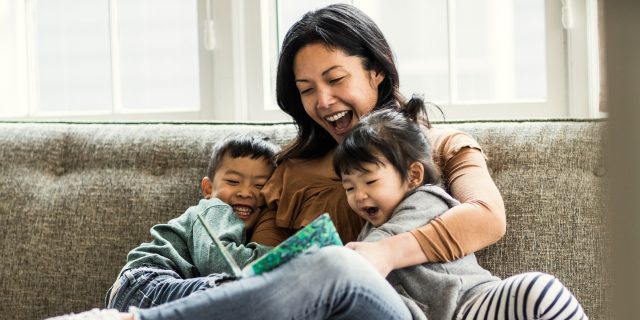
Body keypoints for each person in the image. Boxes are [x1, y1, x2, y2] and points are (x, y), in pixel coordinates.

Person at [48, 3, 552, 319]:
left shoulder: (439, 144)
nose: (323, 101)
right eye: (307, 89)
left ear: (375, 72)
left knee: (539, 294)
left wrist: (383, 253)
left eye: (336, 80)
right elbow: (266, 274)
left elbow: (488, 216)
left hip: (416, 305)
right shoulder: (286, 170)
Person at [333, 108, 587, 319]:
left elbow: (381, 244)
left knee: (540, 290)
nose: (359, 195)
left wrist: (339, 261)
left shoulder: (425, 201)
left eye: (370, 182)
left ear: (413, 176)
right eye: (349, 187)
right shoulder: (369, 233)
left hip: (473, 305)